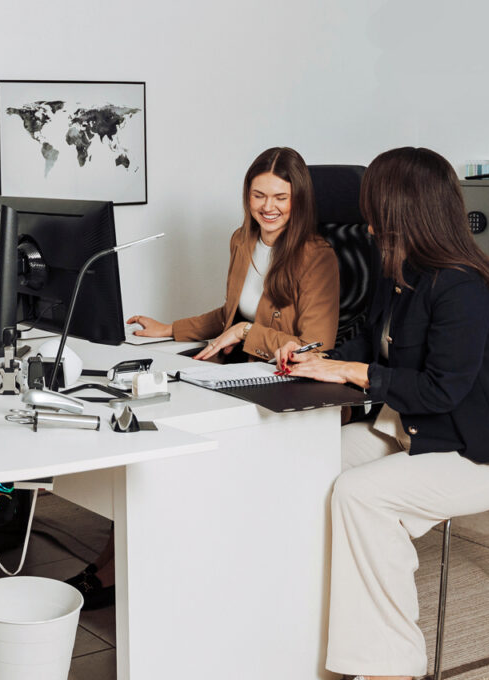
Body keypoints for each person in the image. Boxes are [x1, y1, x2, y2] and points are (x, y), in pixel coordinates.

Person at [276, 147, 489, 680]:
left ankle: (393, 666)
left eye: (374, 208)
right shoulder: (400, 271)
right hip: (409, 429)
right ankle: (304, 630)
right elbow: (372, 339)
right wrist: (323, 358)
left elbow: (440, 391)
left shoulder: (464, 286)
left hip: (475, 451)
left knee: (362, 495)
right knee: (307, 460)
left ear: (406, 209)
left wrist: (355, 375)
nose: (366, 220)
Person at [68, 146, 341, 609]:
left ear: (300, 200)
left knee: (174, 438)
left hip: (281, 381)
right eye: (258, 195)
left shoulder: (318, 257)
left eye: (281, 197)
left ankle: (124, 569)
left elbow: (314, 346)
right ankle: (132, 559)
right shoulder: (242, 239)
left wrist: (246, 333)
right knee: (147, 407)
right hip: (235, 366)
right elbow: (229, 314)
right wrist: (170, 329)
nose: (268, 207)